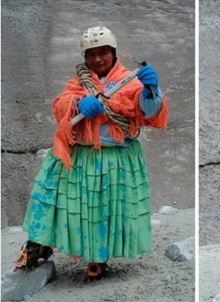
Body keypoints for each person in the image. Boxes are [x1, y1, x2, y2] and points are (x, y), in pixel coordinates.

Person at [16, 25, 168, 279]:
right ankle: (37, 246)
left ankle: (98, 258)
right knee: (52, 200)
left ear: (114, 52)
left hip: (115, 157)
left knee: (103, 208)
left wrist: (151, 91)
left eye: (103, 52)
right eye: (91, 54)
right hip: (78, 154)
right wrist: (76, 104)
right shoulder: (78, 82)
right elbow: (60, 105)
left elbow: (148, 113)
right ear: (84, 57)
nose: (97, 59)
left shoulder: (131, 80)